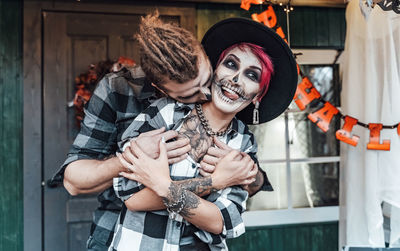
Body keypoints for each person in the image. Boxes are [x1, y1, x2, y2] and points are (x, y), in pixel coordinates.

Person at [51, 13, 271, 251]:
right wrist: (131, 158)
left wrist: (249, 172)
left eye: (206, 80)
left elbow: (226, 217)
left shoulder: (240, 135)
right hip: (127, 235)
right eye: (189, 95)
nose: (206, 94)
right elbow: (91, 186)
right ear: (160, 89)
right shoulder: (132, 97)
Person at [110, 17, 298, 251]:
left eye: (252, 75)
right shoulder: (166, 114)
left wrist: (161, 184)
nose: (236, 79)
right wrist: (216, 182)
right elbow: (132, 198)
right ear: (215, 69)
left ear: (257, 96)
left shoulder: (242, 143)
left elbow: (221, 221)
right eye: (231, 64)